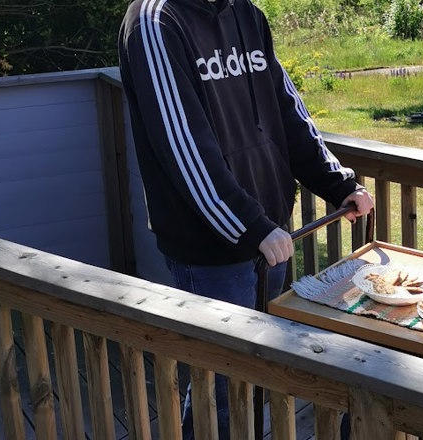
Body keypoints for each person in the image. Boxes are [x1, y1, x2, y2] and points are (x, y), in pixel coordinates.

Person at [117, 0, 373, 438]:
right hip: (213, 250)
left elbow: (288, 111)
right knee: (219, 386)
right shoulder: (155, 22)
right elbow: (182, 145)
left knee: (255, 375)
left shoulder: (247, 15)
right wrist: (250, 225)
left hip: (272, 239)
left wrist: (338, 183)